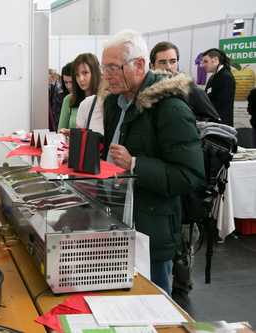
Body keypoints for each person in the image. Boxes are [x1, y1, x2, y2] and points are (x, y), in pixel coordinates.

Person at [100, 30, 205, 296]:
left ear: (139, 65)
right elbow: (113, 153)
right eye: (104, 67)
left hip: (151, 228)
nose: (106, 75)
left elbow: (189, 175)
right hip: (116, 223)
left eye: (113, 67)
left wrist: (135, 164)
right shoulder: (115, 103)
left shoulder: (170, 108)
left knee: (154, 305)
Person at [149, 41, 220, 306]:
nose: (169, 67)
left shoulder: (191, 90)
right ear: (152, 64)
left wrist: (187, 131)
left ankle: (182, 288)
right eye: (163, 62)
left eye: (173, 61)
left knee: (185, 236)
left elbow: (216, 127)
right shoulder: (151, 92)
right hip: (162, 176)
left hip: (187, 177)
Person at [57, 53, 101, 134]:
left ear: (95, 72)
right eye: (77, 75)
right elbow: (60, 133)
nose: (81, 79)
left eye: (85, 73)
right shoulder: (69, 99)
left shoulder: (103, 100)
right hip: (73, 145)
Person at [202, 48, 236, 126]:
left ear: (215, 59)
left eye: (206, 61)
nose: (203, 65)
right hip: (213, 122)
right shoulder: (214, 76)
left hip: (221, 125)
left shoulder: (225, 77)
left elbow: (221, 104)